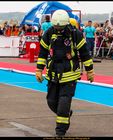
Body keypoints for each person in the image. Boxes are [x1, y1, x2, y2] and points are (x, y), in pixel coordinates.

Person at [35, 9, 94, 137]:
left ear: (66, 24)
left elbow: (85, 53)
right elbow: (43, 53)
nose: (58, 28)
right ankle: (66, 114)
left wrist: (90, 71)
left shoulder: (75, 34)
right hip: (53, 73)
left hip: (70, 74)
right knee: (51, 102)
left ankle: (60, 131)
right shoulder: (49, 33)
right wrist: (39, 69)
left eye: (60, 26)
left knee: (63, 104)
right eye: (56, 26)